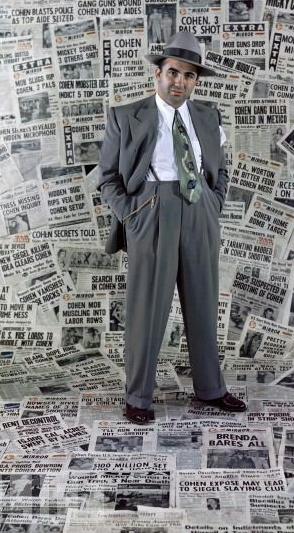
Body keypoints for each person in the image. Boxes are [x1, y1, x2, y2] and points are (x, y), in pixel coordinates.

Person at [98, 31, 246, 424]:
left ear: (196, 81)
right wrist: (133, 212)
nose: (180, 82)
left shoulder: (208, 116)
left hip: (199, 211)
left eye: (189, 76)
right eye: (173, 72)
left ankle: (211, 390)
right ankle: (138, 397)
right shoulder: (125, 116)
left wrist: (213, 204)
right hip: (151, 210)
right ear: (158, 74)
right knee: (147, 308)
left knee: (203, 303)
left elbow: (220, 169)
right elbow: (107, 177)